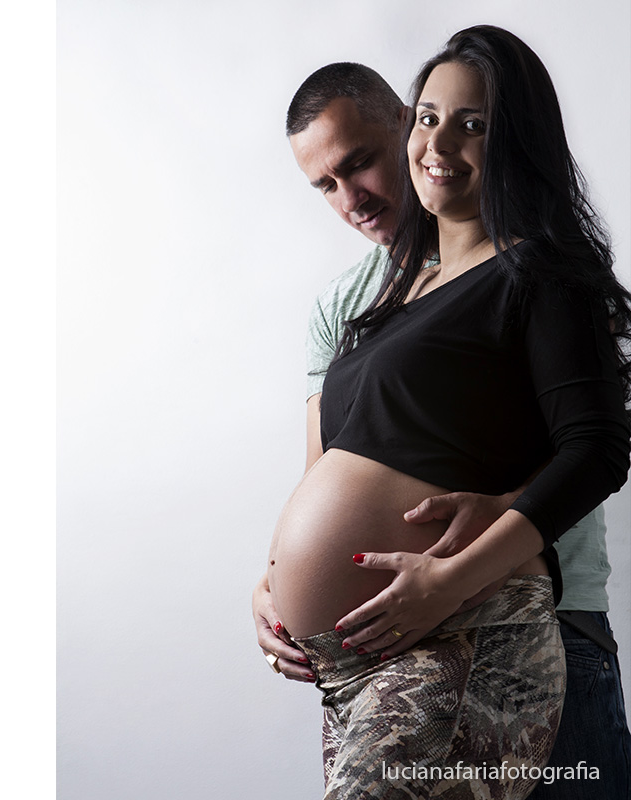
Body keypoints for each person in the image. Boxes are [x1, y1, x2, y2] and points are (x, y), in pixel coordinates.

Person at [261, 25, 631, 798]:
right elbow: (325, 472)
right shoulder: (375, 301)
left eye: (472, 123)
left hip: (489, 624)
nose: (349, 197)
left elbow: (592, 446)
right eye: (434, 117)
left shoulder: (535, 268)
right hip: (363, 659)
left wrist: (462, 567)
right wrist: (272, 581)